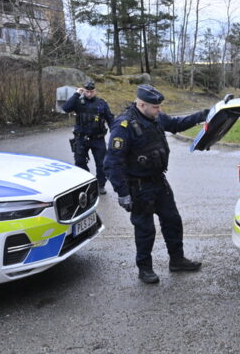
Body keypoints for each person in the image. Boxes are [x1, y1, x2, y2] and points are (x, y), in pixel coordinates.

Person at [104, 84, 209, 284]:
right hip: (138, 186)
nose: (159, 110)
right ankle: (145, 269)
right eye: (155, 107)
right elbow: (111, 163)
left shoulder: (154, 118)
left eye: (159, 107)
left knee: (173, 221)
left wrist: (205, 114)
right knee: (145, 230)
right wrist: (123, 192)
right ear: (141, 104)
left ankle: (177, 260)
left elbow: (178, 124)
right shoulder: (124, 126)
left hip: (159, 181)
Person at [63, 80, 114, 194]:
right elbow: (65, 108)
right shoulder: (78, 101)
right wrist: (76, 94)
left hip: (98, 138)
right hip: (81, 138)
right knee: (80, 162)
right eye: (87, 91)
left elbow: (110, 119)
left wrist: (115, 134)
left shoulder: (101, 103)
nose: (89, 94)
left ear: (95, 91)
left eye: (91, 91)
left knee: (102, 164)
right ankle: (86, 183)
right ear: (83, 91)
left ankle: (101, 184)